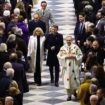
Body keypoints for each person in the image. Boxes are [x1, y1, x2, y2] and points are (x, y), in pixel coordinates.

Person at [57, 35, 83, 100]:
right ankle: (69, 95)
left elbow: (80, 55)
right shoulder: (63, 48)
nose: (68, 41)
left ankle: (74, 92)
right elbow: (59, 56)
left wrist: (75, 57)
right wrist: (65, 57)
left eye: (70, 40)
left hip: (74, 66)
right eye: (67, 40)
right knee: (67, 81)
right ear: (65, 41)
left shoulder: (75, 47)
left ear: (72, 40)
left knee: (74, 80)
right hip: (66, 67)